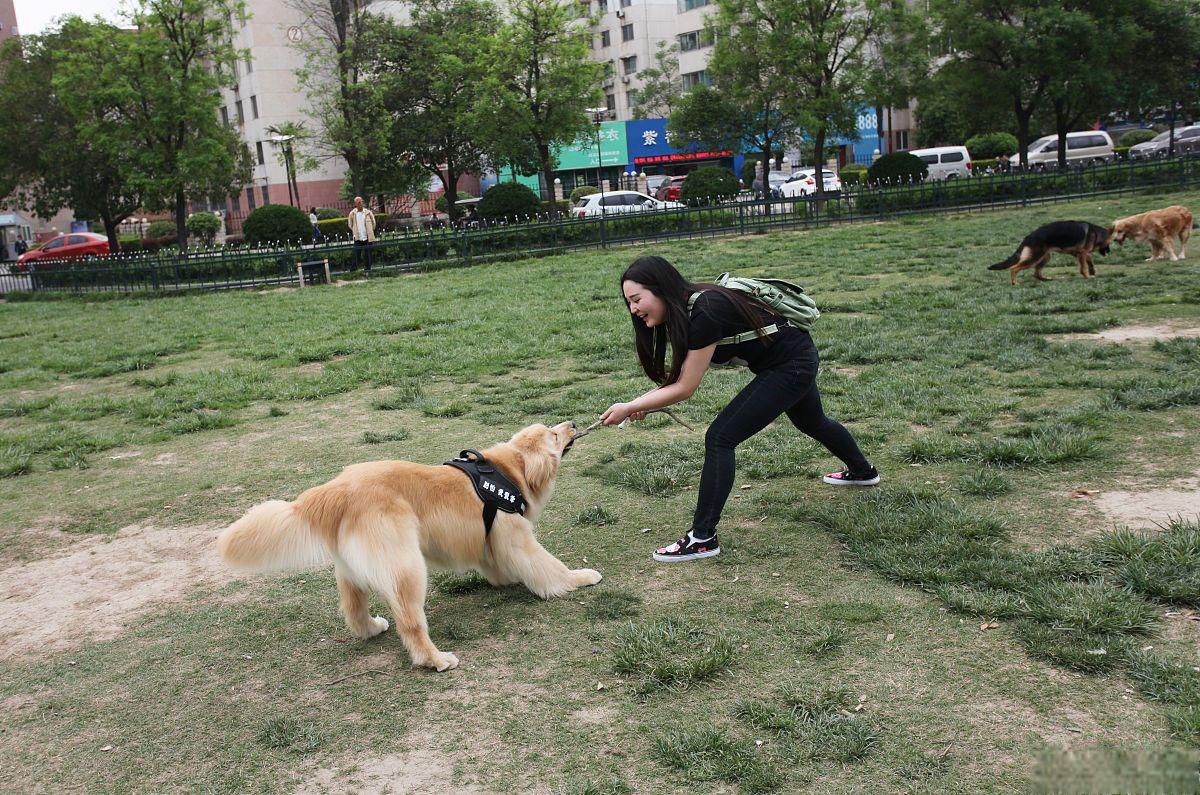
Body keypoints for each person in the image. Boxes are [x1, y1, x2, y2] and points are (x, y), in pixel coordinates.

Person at [601, 255, 879, 563]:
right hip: (790, 360)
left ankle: (703, 538)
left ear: (661, 288)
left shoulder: (705, 310)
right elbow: (680, 379)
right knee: (812, 422)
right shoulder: (689, 313)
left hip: (791, 365)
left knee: (720, 437)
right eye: (629, 302)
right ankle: (863, 472)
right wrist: (637, 405)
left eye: (637, 299)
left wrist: (631, 405)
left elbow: (685, 388)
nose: (634, 309)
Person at [347, 196, 376, 272]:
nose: (361, 203)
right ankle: (353, 270)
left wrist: (370, 231)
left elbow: (374, 223)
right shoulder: (352, 213)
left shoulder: (368, 213)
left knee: (368, 254)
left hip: (367, 237)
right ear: (355, 204)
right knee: (356, 254)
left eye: (361, 201)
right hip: (358, 237)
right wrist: (355, 231)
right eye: (359, 202)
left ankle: (368, 269)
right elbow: (350, 225)